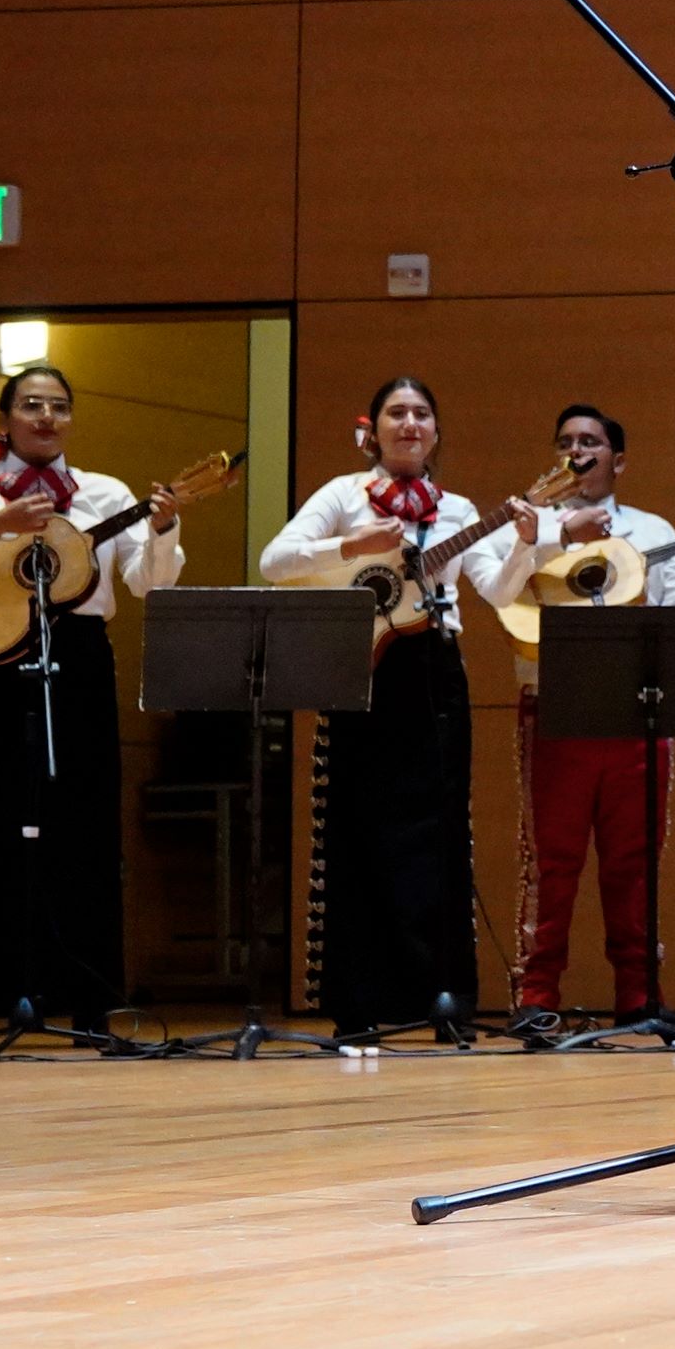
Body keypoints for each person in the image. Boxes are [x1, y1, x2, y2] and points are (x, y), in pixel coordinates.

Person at [0, 364, 187, 1046]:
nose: (46, 416)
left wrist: (164, 530)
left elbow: (147, 584)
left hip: (81, 656)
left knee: (84, 824)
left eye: (59, 405)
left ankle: (87, 1000)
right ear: (4, 418)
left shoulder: (105, 491)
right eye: (31, 404)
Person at [263, 379, 488, 1045]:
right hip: (362, 675)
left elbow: (501, 586)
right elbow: (275, 561)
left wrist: (528, 540)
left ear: (436, 431)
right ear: (375, 427)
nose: (410, 422)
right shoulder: (342, 495)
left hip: (438, 674)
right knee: (355, 835)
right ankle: (358, 1002)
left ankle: (443, 998)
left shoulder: (460, 509)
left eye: (423, 412)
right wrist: (351, 549)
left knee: (441, 837)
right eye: (398, 411)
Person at [471, 402, 675, 1035]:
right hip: (554, 706)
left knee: (636, 859)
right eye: (565, 440)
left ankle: (641, 998)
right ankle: (536, 999)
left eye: (590, 442)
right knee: (551, 860)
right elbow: (498, 594)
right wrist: (554, 537)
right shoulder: (525, 526)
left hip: (636, 712)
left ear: (617, 460)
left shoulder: (652, 530)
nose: (577, 451)